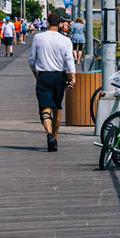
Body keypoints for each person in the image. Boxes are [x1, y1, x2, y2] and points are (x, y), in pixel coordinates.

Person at [28, 11, 77, 151]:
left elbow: (31, 59)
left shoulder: (38, 38)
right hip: (59, 76)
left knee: (45, 107)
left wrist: (35, 74)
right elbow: (69, 60)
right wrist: (73, 77)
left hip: (44, 75)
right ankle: (55, 137)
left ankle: (49, 135)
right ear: (61, 24)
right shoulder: (66, 40)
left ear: (47, 23)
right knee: (57, 107)